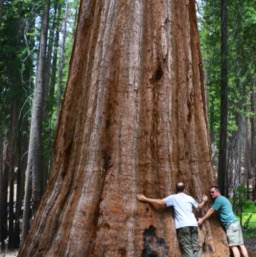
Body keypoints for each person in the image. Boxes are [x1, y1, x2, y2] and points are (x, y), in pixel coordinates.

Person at [136, 182, 208, 257]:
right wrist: (204, 201)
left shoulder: (173, 197)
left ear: (176, 190)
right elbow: (199, 207)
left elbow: (160, 202)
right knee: (196, 247)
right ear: (184, 190)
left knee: (187, 247)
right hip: (193, 225)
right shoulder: (189, 198)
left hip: (183, 226)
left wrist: (145, 199)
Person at [197, 186, 249, 257]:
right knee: (241, 244)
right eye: (210, 193)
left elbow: (211, 210)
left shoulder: (219, 199)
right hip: (235, 223)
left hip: (231, 225)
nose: (211, 194)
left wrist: (202, 219)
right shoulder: (224, 199)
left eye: (212, 192)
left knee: (233, 246)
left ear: (217, 192)